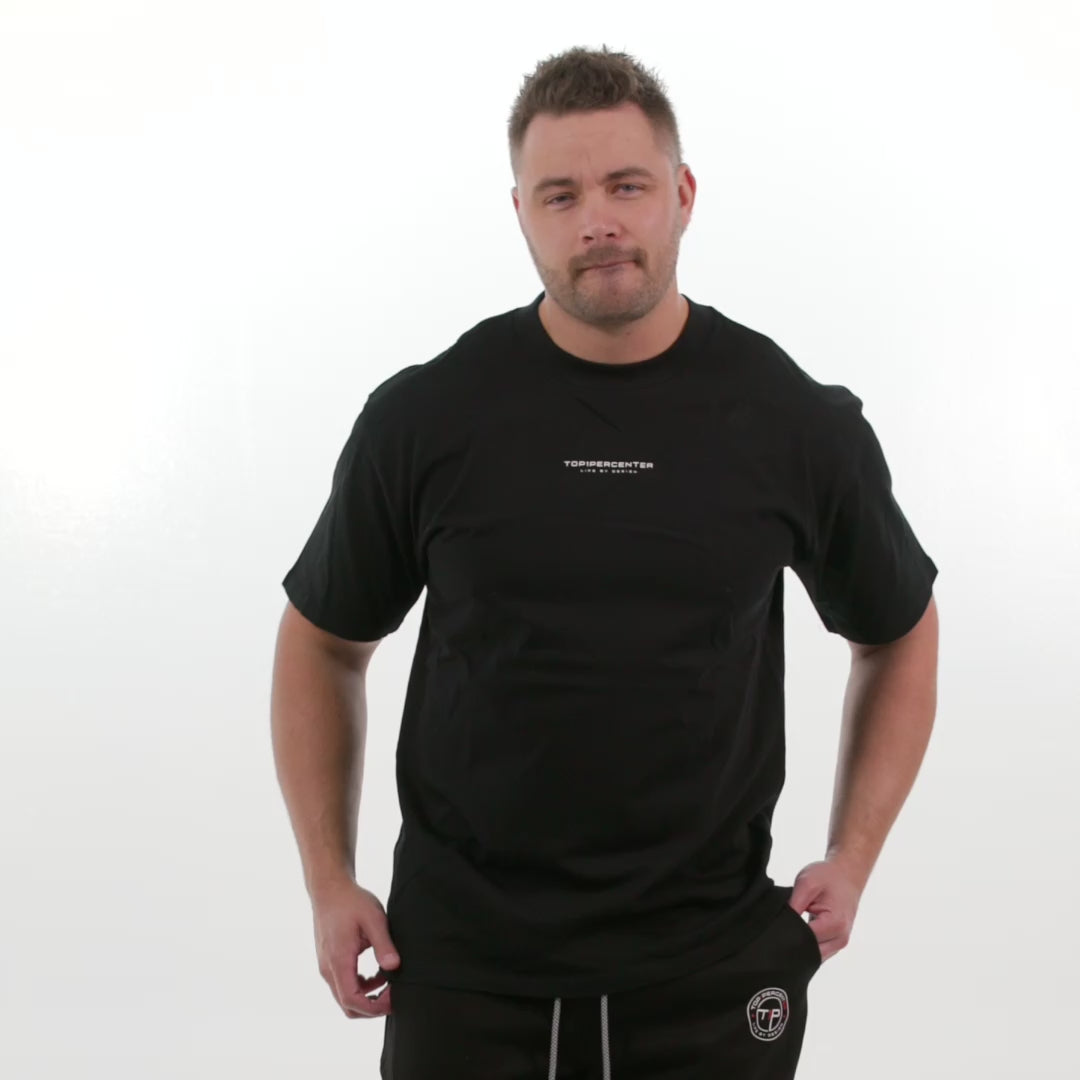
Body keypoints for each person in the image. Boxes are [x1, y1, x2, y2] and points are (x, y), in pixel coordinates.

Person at [270, 44, 940, 1080]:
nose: (598, 221)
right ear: (521, 214)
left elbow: (897, 632)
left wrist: (853, 859)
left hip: (709, 971)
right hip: (464, 969)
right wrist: (328, 880)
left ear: (683, 194)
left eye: (627, 185)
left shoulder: (792, 421)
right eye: (561, 194)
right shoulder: (426, 418)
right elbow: (322, 643)